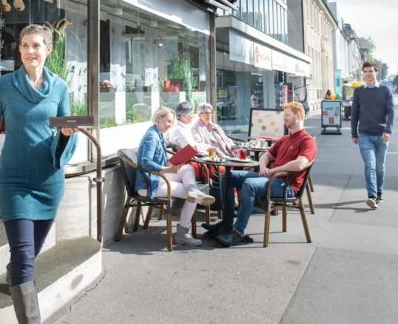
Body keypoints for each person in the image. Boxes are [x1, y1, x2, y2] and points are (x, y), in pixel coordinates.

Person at [0, 24, 80, 324]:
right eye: (24, 45)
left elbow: (64, 128)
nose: (30, 51)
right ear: (18, 50)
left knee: (30, 252)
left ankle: (12, 275)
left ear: (48, 50)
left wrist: (68, 135)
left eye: (36, 45)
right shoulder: (3, 86)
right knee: (24, 256)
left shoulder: (59, 87)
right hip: (15, 181)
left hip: (48, 182)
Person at [211, 101, 317, 247]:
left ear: (297, 116)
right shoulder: (285, 139)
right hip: (271, 178)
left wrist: (271, 170)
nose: (284, 118)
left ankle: (237, 233)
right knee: (227, 176)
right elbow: (266, 154)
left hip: (287, 185)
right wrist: (262, 165)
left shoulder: (308, 141)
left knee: (249, 184)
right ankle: (226, 225)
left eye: (287, 115)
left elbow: (300, 164)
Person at [136, 106, 216, 247]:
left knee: (188, 168)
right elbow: (145, 162)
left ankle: (192, 189)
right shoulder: (151, 137)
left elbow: (158, 160)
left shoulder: (157, 134)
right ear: (158, 118)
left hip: (158, 178)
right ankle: (182, 234)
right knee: (195, 197)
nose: (170, 126)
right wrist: (169, 168)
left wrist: (175, 162)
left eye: (171, 123)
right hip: (150, 184)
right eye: (168, 122)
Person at [351, 61, 394, 209]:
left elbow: (391, 112)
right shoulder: (359, 92)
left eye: (371, 71)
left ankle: (379, 191)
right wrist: (353, 133)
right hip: (365, 135)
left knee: (379, 167)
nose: (369, 74)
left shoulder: (385, 90)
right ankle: (372, 195)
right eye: (366, 71)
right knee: (370, 164)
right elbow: (354, 113)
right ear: (363, 73)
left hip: (382, 135)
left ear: (376, 72)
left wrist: (388, 130)